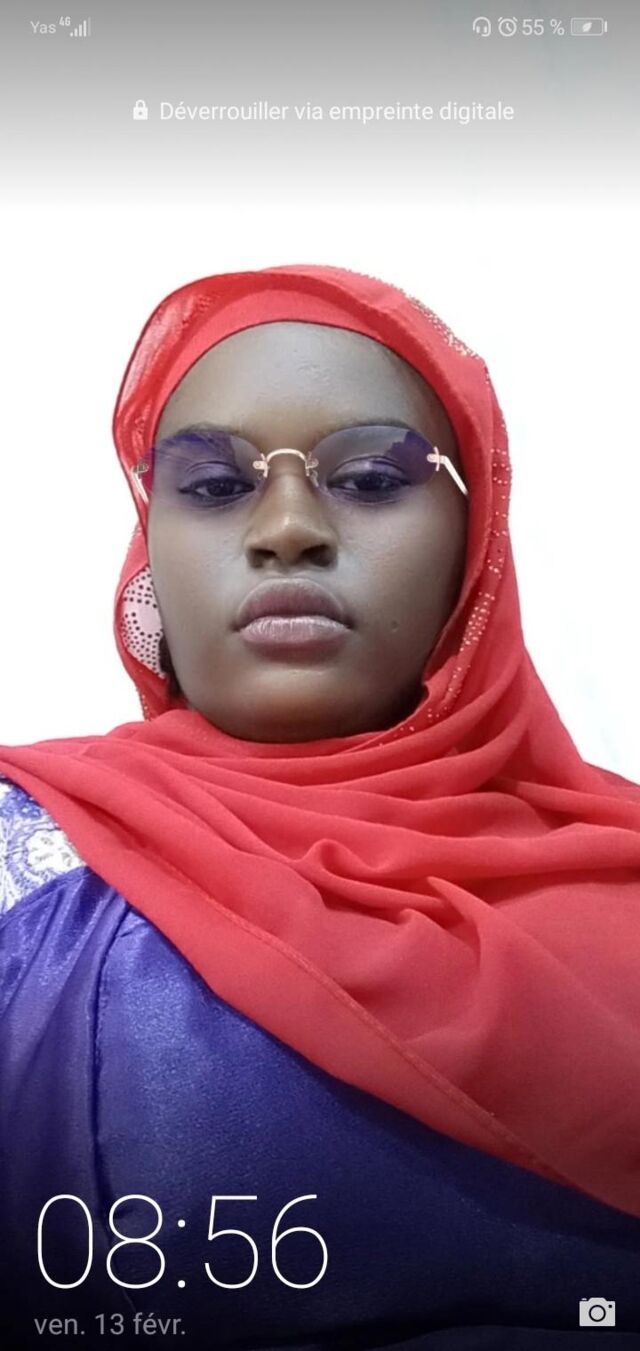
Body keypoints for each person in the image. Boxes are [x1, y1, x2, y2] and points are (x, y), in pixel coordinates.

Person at [1, 264, 640, 1351]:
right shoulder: (28, 867)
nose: (288, 528)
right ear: (148, 545)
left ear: (476, 540)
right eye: (213, 486)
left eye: (373, 477)